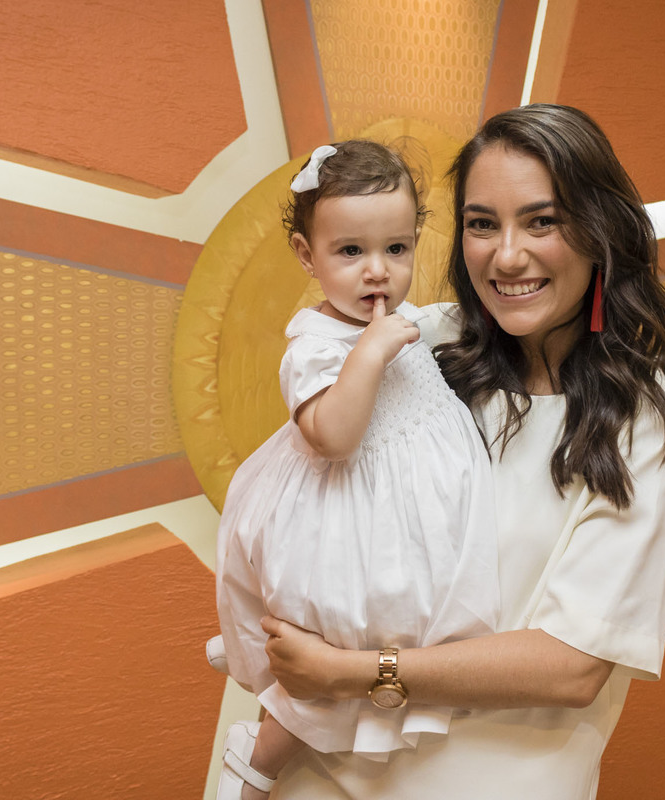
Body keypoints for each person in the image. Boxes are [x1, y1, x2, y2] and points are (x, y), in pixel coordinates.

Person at [259, 104, 665, 799]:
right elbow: (306, 501)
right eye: (481, 223)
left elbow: (572, 667)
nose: (506, 255)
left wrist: (351, 670)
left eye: (542, 221)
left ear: (600, 228)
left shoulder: (651, 412)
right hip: (323, 768)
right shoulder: (421, 344)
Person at [214, 140, 502, 800]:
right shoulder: (315, 343)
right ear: (305, 254)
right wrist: (367, 354)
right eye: (350, 252)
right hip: (339, 523)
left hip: (399, 522)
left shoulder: (403, 321)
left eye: (395, 250)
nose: (377, 272)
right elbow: (334, 437)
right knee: (330, 652)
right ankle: (255, 762)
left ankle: (360, 750)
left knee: (397, 639)